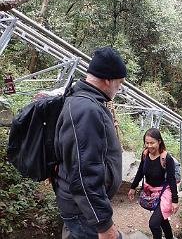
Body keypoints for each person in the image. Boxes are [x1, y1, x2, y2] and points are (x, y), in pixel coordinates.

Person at [55, 46, 127, 239]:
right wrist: (104, 225)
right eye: (119, 83)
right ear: (107, 79)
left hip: (78, 205)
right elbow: (85, 172)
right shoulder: (87, 110)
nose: (119, 88)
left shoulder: (84, 102)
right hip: (82, 210)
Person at [128, 128, 179, 239]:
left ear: (159, 141)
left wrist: (175, 200)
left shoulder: (166, 158)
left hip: (165, 193)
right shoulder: (145, 154)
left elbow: (171, 179)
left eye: (152, 143)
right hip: (152, 192)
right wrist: (133, 187)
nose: (149, 146)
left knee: (154, 224)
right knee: (163, 221)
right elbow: (140, 171)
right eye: (147, 143)